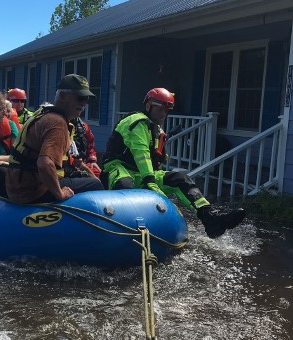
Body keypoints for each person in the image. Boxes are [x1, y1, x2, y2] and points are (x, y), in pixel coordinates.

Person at [101, 87, 246, 238]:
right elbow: (141, 153)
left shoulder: (157, 131)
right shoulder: (137, 122)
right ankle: (121, 228)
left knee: (181, 179)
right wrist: (150, 181)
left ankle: (210, 219)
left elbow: (155, 163)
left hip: (143, 174)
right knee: (125, 185)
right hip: (118, 168)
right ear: (148, 106)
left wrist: (153, 179)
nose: (164, 114)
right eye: (160, 110)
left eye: (166, 110)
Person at [6, 74, 104, 203]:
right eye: (80, 98)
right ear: (62, 95)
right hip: (32, 191)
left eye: (86, 99)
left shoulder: (44, 113)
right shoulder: (58, 123)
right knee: (95, 185)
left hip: (18, 185)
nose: (84, 103)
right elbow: (44, 164)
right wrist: (60, 193)